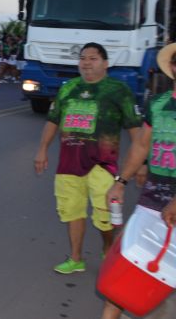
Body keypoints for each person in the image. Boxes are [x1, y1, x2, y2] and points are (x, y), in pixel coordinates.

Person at [34, 42, 142, 274]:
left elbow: (135, 129)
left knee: (105, 217)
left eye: (93, 58)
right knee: (72, 211)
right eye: (83, 58)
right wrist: (42, 149)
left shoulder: (118, 90)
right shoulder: (68, 88)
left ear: (105, 63)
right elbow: (53, 120)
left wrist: (142, 163)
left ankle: (108, 247)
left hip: (102, 165)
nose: (86, 63)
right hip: (68, 164)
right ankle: (76, 258)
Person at [100, 44, 176, 318]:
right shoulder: (158, 103)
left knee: (165, 288)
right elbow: (141, 146)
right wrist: (120, 181)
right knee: (124, 269)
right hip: (152, 199)